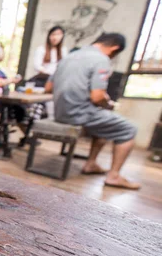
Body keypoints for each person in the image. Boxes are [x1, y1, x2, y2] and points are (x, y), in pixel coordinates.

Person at [45, 33, 140, 190]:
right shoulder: (101, 60)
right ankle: (114, 176)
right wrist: (107, 103)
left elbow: (48, 88)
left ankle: (91, 164)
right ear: (114, 49)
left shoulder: (69, 57)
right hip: (79, 113)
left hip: (60, 112)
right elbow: (97, 97)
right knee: (129, 129)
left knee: (104, 124)